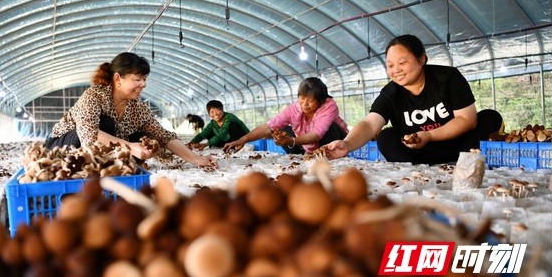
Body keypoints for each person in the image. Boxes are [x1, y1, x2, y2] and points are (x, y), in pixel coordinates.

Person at [324, 34, 503, 165]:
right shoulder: (390, 93)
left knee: (489, 117)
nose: (396, 70)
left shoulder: (447, 77)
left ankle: (465, 161)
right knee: (386, 137)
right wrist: (347, 144)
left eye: (402, 63)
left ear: (421, 59)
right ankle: (420, 166)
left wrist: (430, 135)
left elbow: (467, 120)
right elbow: (371, 124)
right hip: (421, 152)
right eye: (390, 65)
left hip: (461, 144)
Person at [43, 52, 216, 168]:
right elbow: (89, 135)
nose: (143, 84)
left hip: (100, 150)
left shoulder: (137, 106)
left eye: (145, 79)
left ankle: (110, 163)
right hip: (63, 147)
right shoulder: (94, 95)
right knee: (106, 125)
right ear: (118, 78)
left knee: (142, 138)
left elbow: (162, 134)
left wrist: (196, 159)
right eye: (138, 79)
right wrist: (130, 148)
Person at [222, 77, 349, 155]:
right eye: (302, 98)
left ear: (320, 100)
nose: (305, 103)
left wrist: (292, 141)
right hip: (307, 144)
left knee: (330, 127)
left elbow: (317, 134)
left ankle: (328, 155)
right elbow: (268, 127)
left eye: (310, 100)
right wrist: (242, 140)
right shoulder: (294, 109)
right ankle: (303, 154)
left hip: (335, 141)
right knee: (279, 131)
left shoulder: (328, 106)